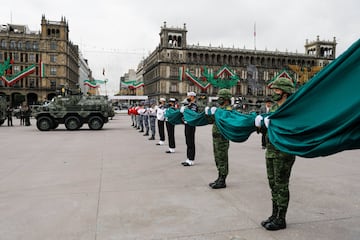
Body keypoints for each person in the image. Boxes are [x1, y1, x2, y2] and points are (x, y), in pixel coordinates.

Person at [255, 77, 296, 231]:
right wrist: (260, 125)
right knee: (273, 184)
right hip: (271, 150)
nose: (274, 93)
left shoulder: (290, 108)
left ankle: (281, 219)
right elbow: (267, 127)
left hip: (283, 152)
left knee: (281, 185)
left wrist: (274, 122)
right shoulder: (273, 108)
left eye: (277, 90)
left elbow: (292, 128)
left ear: (285, 92)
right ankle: (274, 214)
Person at [205, 89, 232, 189]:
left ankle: (223, 179)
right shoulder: (219, 108)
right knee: (217, 158)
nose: (219, 100)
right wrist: (209, 114)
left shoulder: (228, 109)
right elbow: (212, 121)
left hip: (222, 138)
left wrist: (218, 113)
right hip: (216, 137)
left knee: (222, 158)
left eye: (221, 98)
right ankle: (219, 176)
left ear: (226, 99)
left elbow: (226, 120)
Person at [180, 92, 198, 166]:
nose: (188, 98)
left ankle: (191, 159)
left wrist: (186, 108)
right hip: (186, 124)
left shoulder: (194, 106)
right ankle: (188, 158)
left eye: (189, 96)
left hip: (191, 125)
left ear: (193, 97)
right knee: (187, 142)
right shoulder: (187, 105)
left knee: (191, 142)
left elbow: (192, 114)